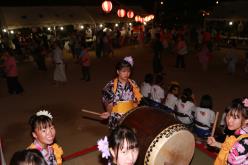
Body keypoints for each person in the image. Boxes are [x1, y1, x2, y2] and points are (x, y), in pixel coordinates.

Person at [100, 56, 142, 130]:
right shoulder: (110, 85)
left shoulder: (133, 83)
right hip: (116, 119)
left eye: (128, 71)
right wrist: (109, 113)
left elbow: (136, 101)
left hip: (130, 117)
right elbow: (108, 104)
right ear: (118, 72)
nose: (127, 74)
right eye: (124, 71)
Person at [207, 97, 248, 165]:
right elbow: (230, 148)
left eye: (235, 118)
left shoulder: (244, 143)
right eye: (228, 115)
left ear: (246, 120)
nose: (229, 121)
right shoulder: (241, 130)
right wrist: (216, 144)